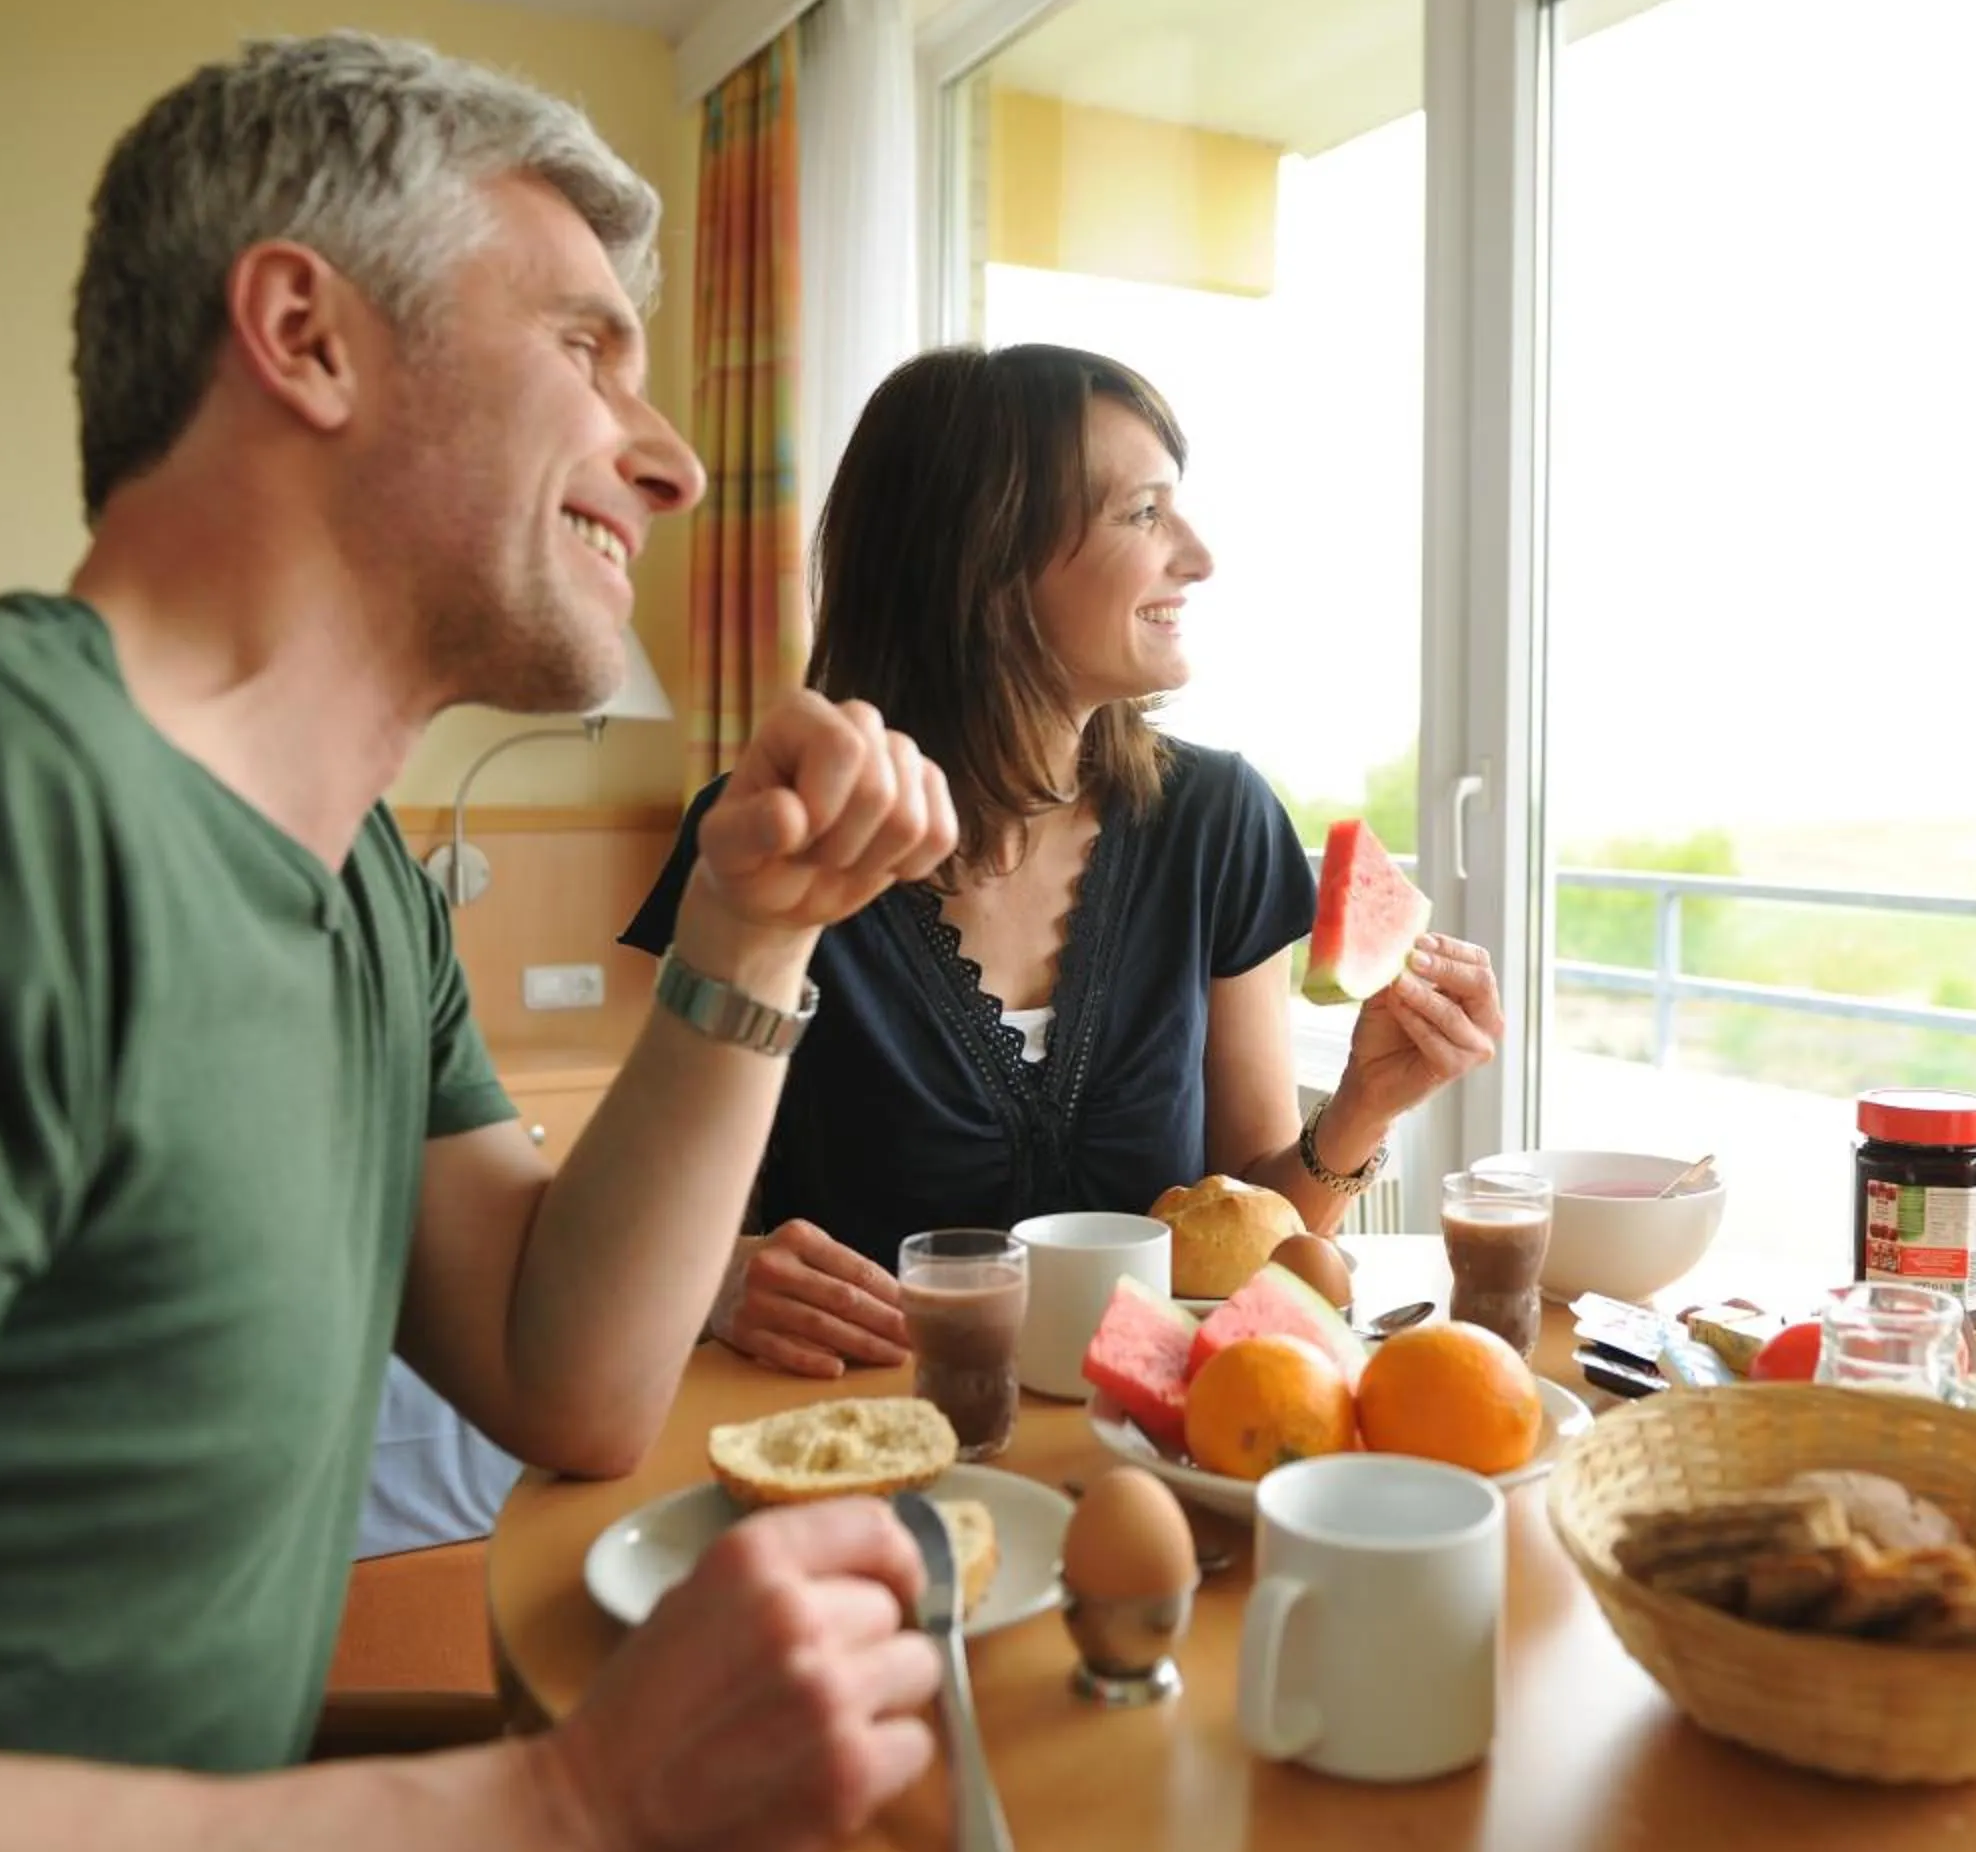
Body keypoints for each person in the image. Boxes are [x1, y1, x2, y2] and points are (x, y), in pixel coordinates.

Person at [0, 31, 961, 1851]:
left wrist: (752, 930)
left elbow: (570, 1376)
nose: (667, 463)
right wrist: (564, 1806)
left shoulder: (363, 892)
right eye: (585, 347)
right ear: (305, 334)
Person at [621, 345, 1506, 1379]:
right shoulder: (769, 847)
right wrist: (725, 1275)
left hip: (1155, 1436)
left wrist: (1361, 1107)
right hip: (864, 1428)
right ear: (984, 560)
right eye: (1144, 513)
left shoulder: (1215, 821)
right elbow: (642, 1228)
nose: (1199, 555)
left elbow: (1247, 1237)